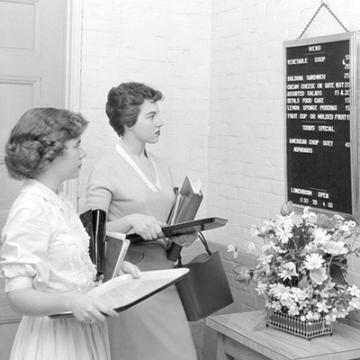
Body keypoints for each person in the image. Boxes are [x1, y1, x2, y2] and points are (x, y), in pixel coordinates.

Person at [0, 108, 139, 360]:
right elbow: (18, 296)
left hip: (80, 333)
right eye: (77, 146)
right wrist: (70, 302)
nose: (83, 153)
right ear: (50, 154)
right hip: (54, 342)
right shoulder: (31, 207)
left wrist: (114, 270)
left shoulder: (59, 200)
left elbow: (71, 268)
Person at [86, 82, 198, 360]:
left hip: (165, 276)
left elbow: (167, 220)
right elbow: (88, 234)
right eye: (151, 116)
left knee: (182, 354)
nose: (160, 122)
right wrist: (130, 221)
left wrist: (185, 233)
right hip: (129, 281)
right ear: (128, 121)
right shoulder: (106, 167)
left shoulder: (162, 165)